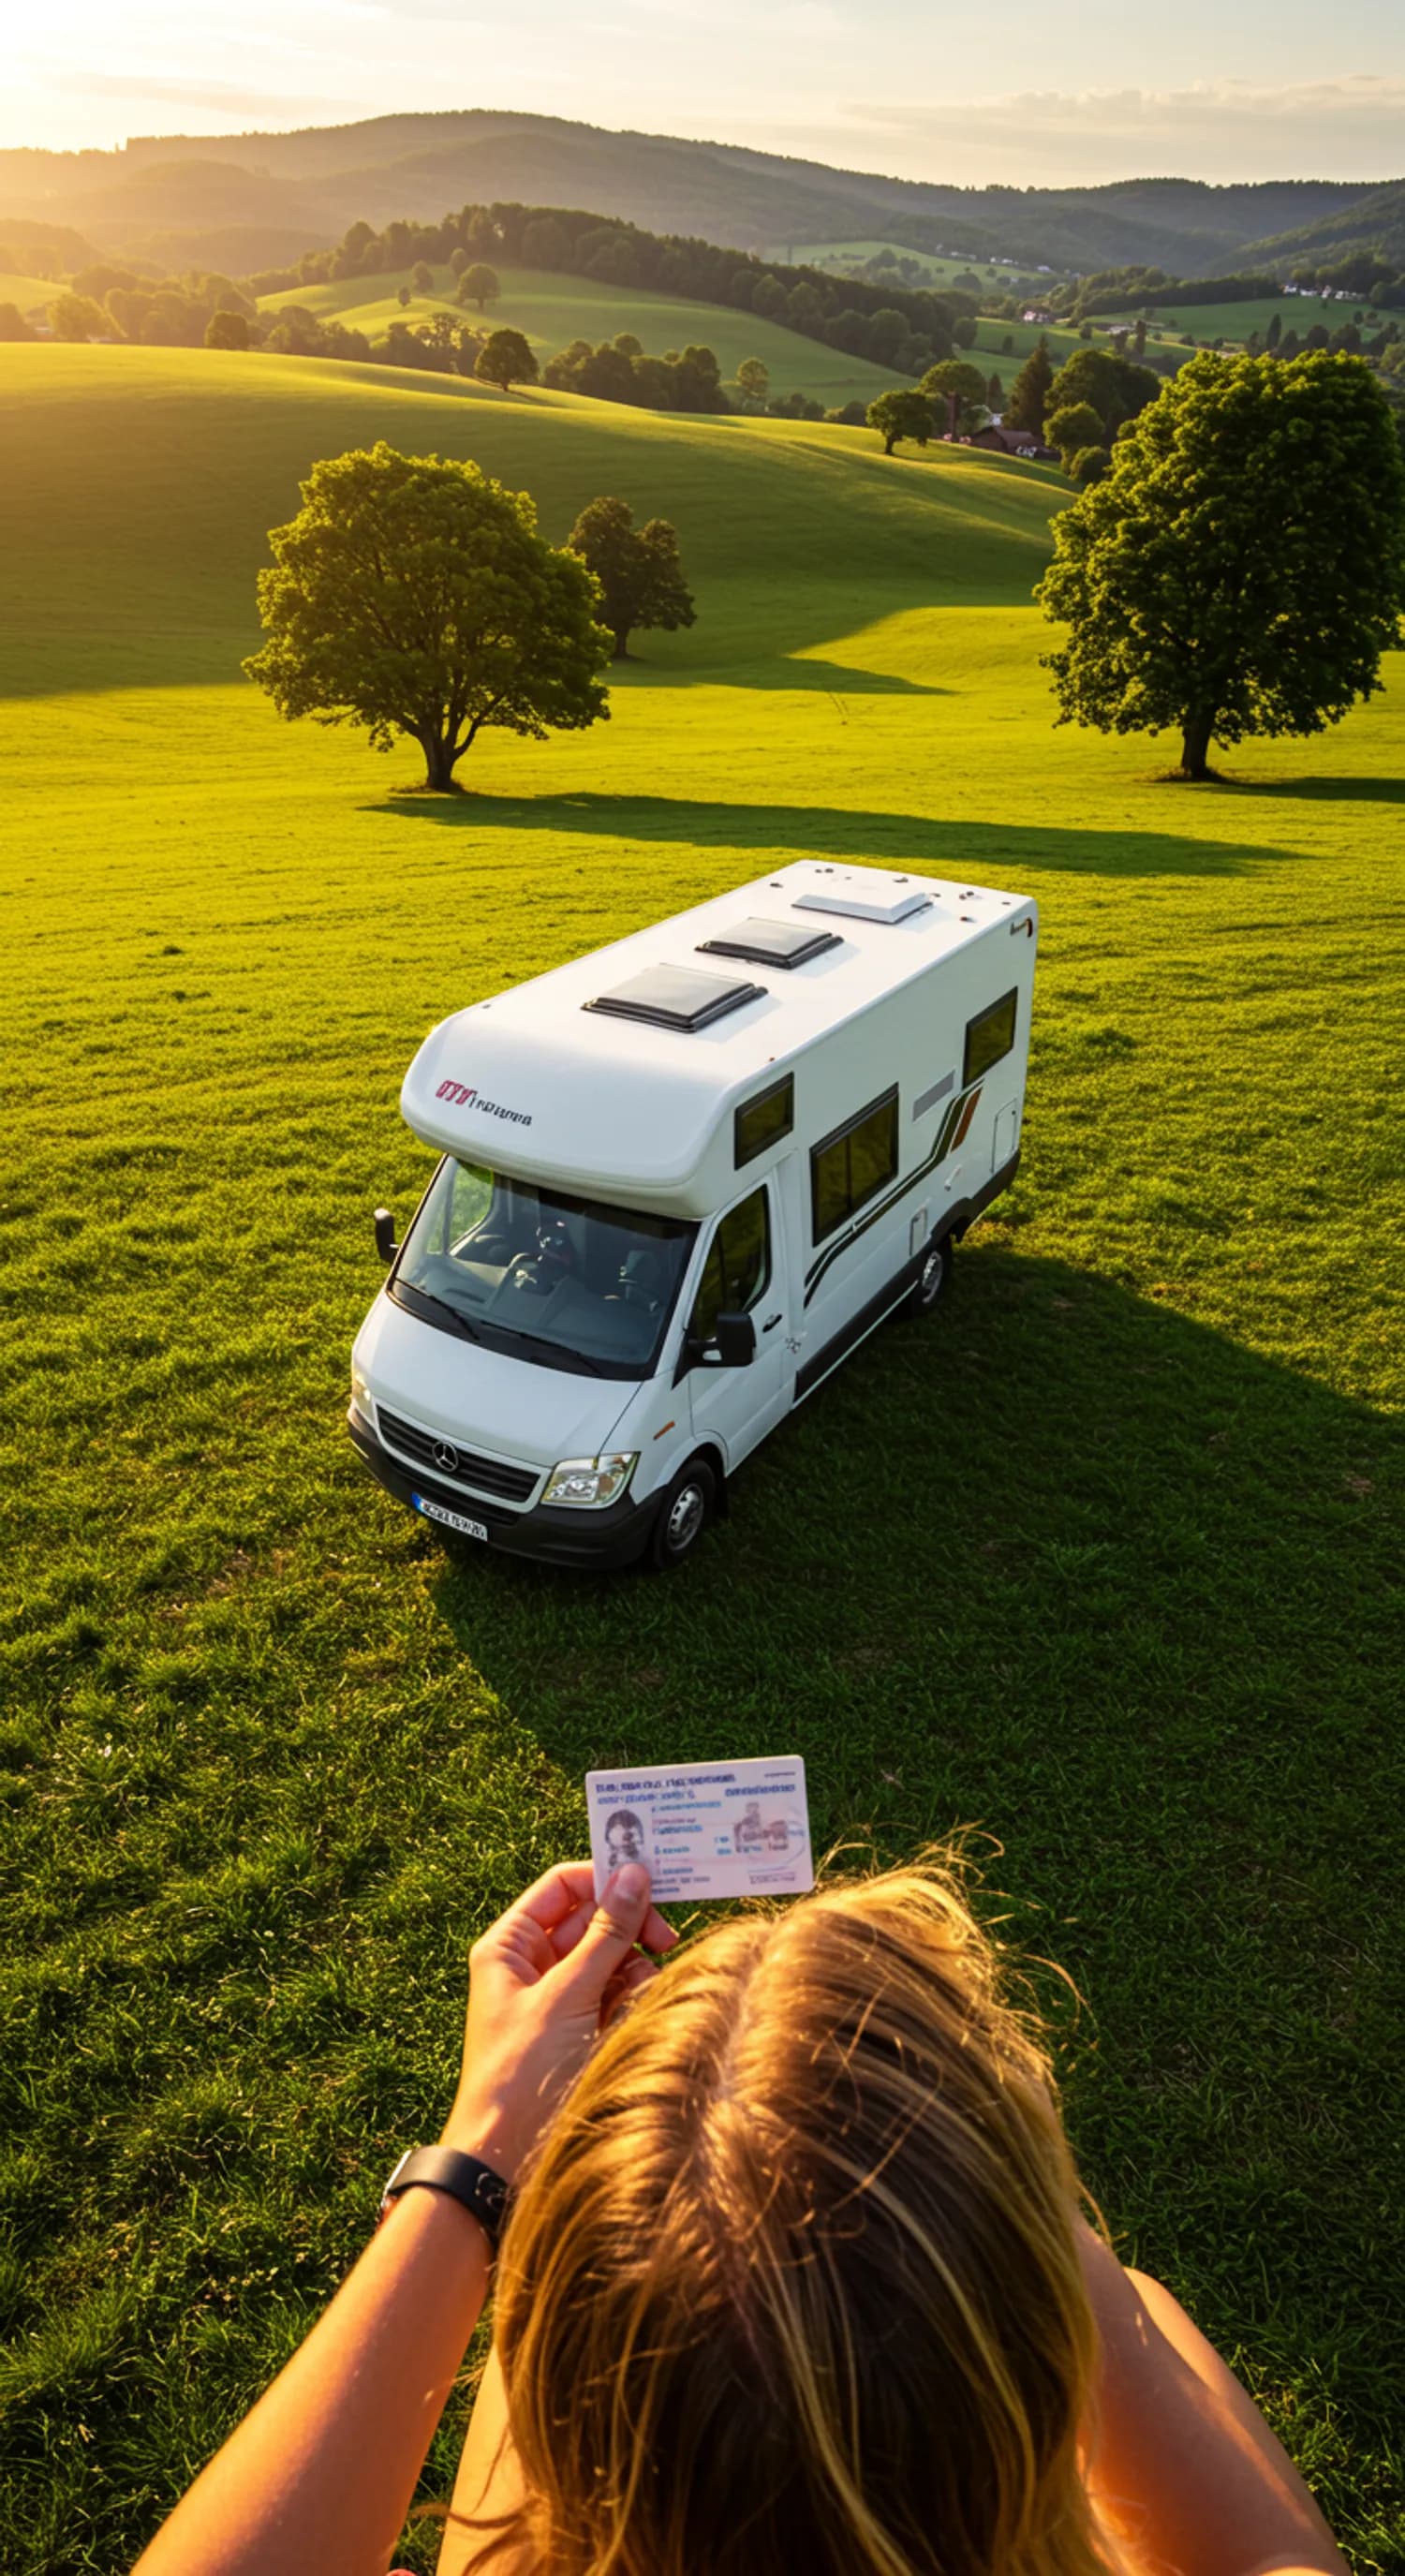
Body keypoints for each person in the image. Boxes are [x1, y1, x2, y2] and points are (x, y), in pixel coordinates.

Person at [132, 1853, 1349, 2576]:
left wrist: (487, 2147)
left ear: (580, 2439)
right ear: (1025, 2392)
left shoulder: (509, 2516)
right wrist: (1003, 2176)